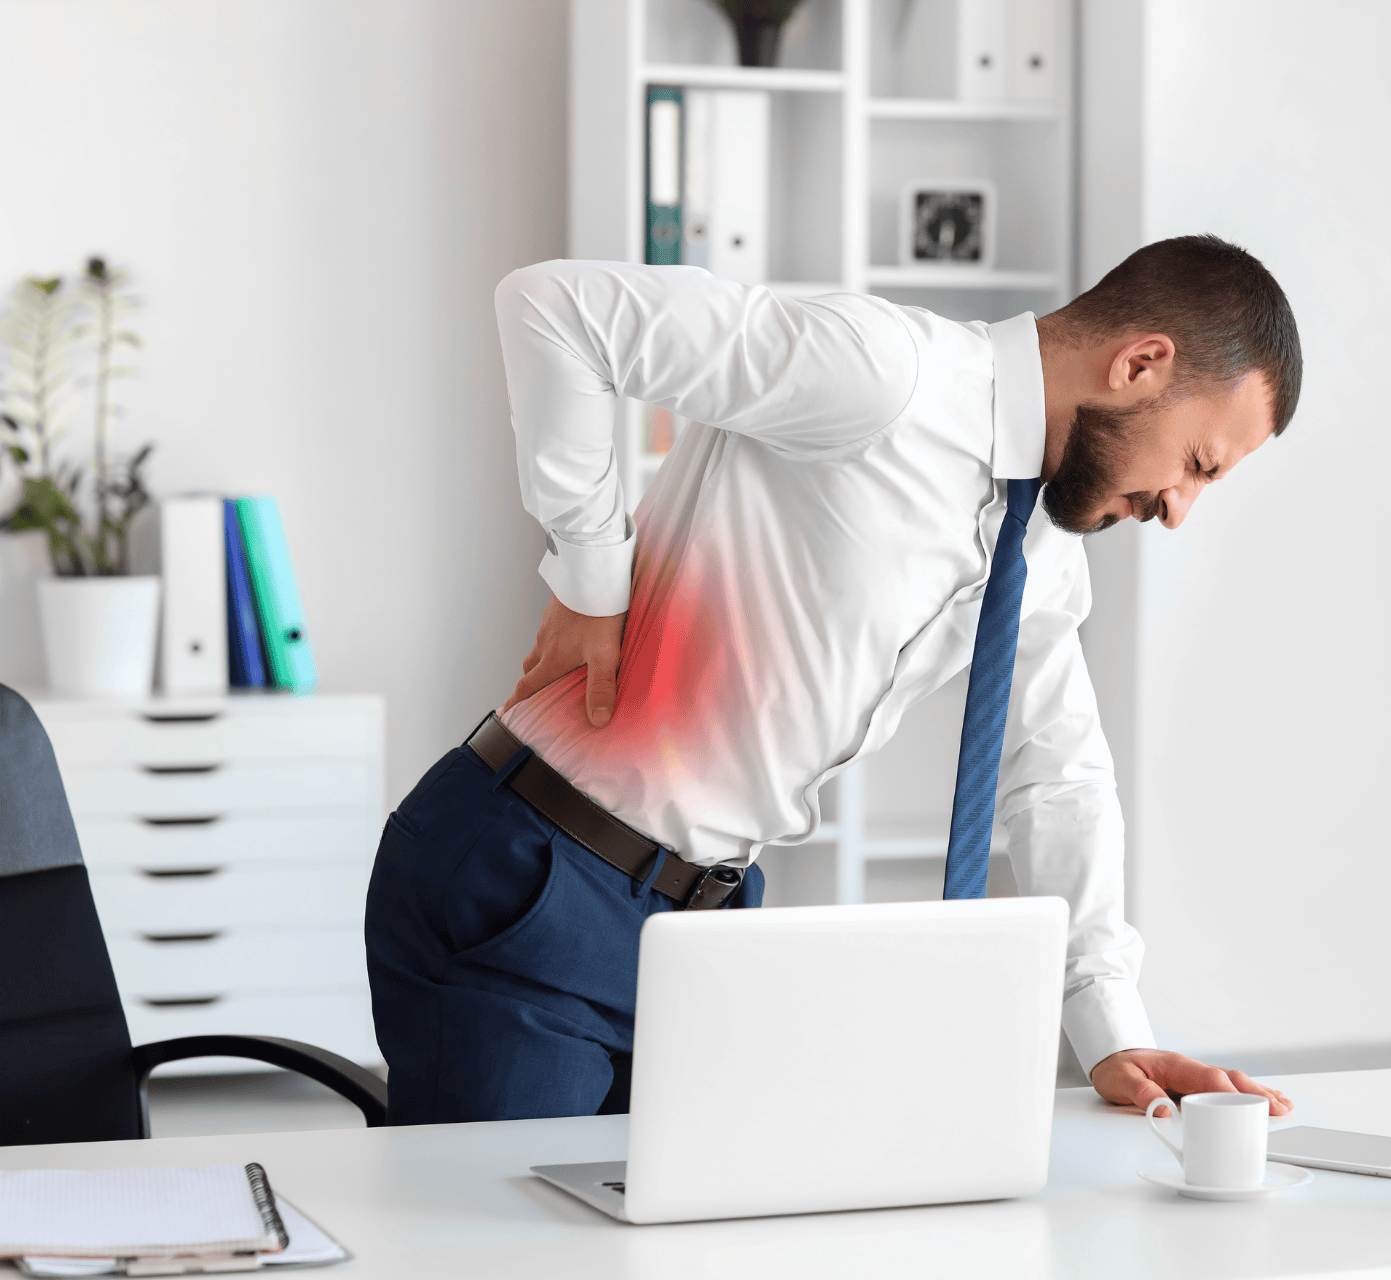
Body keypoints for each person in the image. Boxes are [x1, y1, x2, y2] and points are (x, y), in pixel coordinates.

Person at [365, 234, 1304, 1125]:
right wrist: (590, 578)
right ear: (1141, 364)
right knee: (512, 1247)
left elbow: (1060, 772)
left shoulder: (1045, 550)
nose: (1180, 511)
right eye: (1197, 464)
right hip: (538, 872)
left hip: (698, 927)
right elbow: (557, 307)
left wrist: (1110, 1030)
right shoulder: (887, 375)